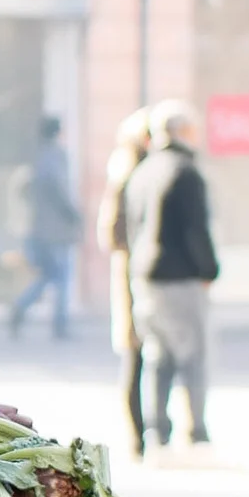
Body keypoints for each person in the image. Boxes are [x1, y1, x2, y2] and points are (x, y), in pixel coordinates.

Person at [121, 101, 220, 446]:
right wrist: (209, 270)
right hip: (180, 277)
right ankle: (197, 430)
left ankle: (157, 428)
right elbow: (196, 230)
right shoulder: (186, 171)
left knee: (157, 357)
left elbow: (131, 227)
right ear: (185, 133)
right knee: (193, 356)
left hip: (145, 276)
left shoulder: (143, 171)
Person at [97, 108, 155, 458]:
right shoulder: (128, 173)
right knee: (137, 355)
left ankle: (146, 433)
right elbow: (112, 233)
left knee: (141, 356)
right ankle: (140, 434)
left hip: (137, 270)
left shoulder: (132, 171)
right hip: (133, 273)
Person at [9, 114, 80, 339]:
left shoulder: (36, 156)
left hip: (40, 227)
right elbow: (59, 189)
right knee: (61, 277)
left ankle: (21, 306)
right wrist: (73, 213)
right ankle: (59, 323)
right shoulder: (54, 156)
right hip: (56, 229)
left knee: (50, 275)